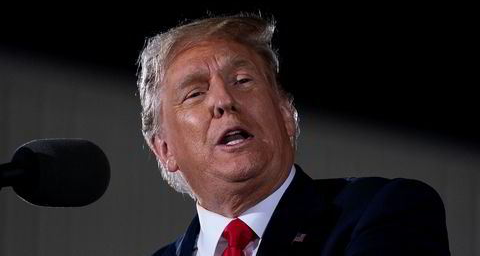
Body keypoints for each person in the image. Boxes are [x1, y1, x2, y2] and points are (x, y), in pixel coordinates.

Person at [137, 13, 450, 256]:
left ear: (286, 115)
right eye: (195, 93)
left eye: (243, 80)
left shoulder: (384, 212)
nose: (223, 101)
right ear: (165, 150)